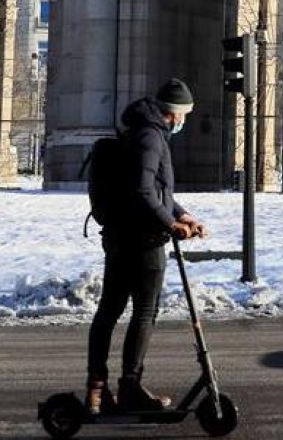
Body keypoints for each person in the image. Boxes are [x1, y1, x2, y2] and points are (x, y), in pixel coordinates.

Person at [86, 78, 208, 414]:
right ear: (176, 114)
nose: (185, 121)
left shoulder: (140, 131)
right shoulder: (152, 138)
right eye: (185, 115)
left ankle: (96, 389)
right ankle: (130, 387)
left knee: (109, 311)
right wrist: (171, 225)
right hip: (143, 240)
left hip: (121, 235)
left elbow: (155, 191)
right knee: (144, 312)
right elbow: (143, 193)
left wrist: (183, 214)